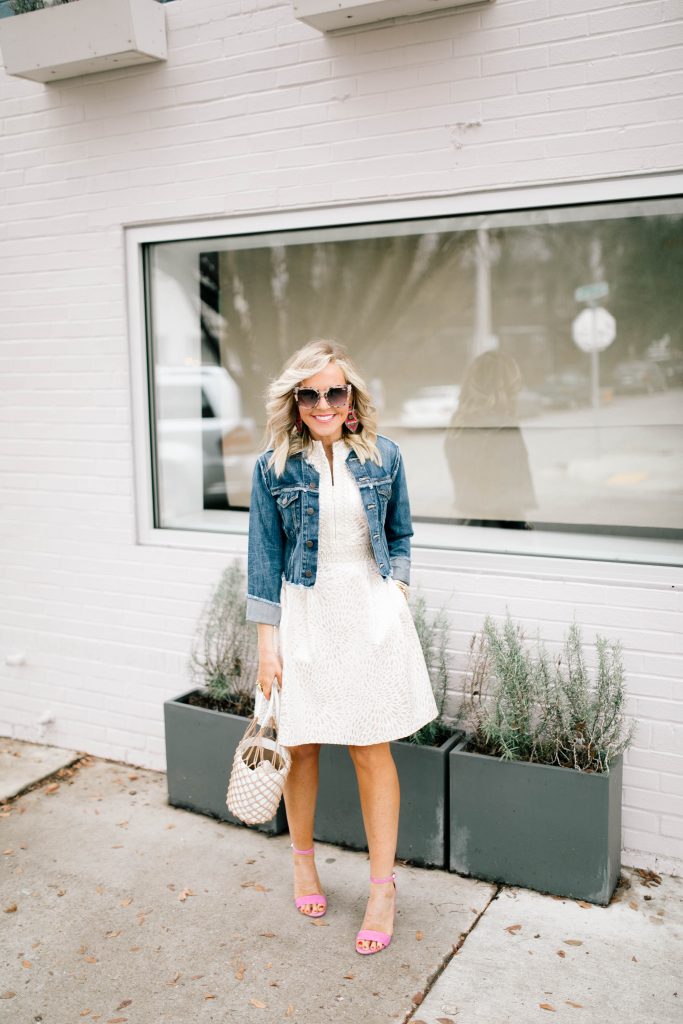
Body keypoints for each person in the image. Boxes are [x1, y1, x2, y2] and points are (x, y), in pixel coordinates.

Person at [246, 339, 438, 956]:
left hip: (369, 613)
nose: (323, 403)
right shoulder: (273, 466)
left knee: (369, 748)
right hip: (303, 614)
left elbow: (400, 532)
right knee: (299, 747)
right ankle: (303, 863)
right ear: (295, 400)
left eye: (334, 391)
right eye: (310, 393)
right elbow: (263, 562)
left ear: (350, 395)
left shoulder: (385, 455)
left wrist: (396, 591)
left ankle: (382, 888)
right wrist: (266, 646)